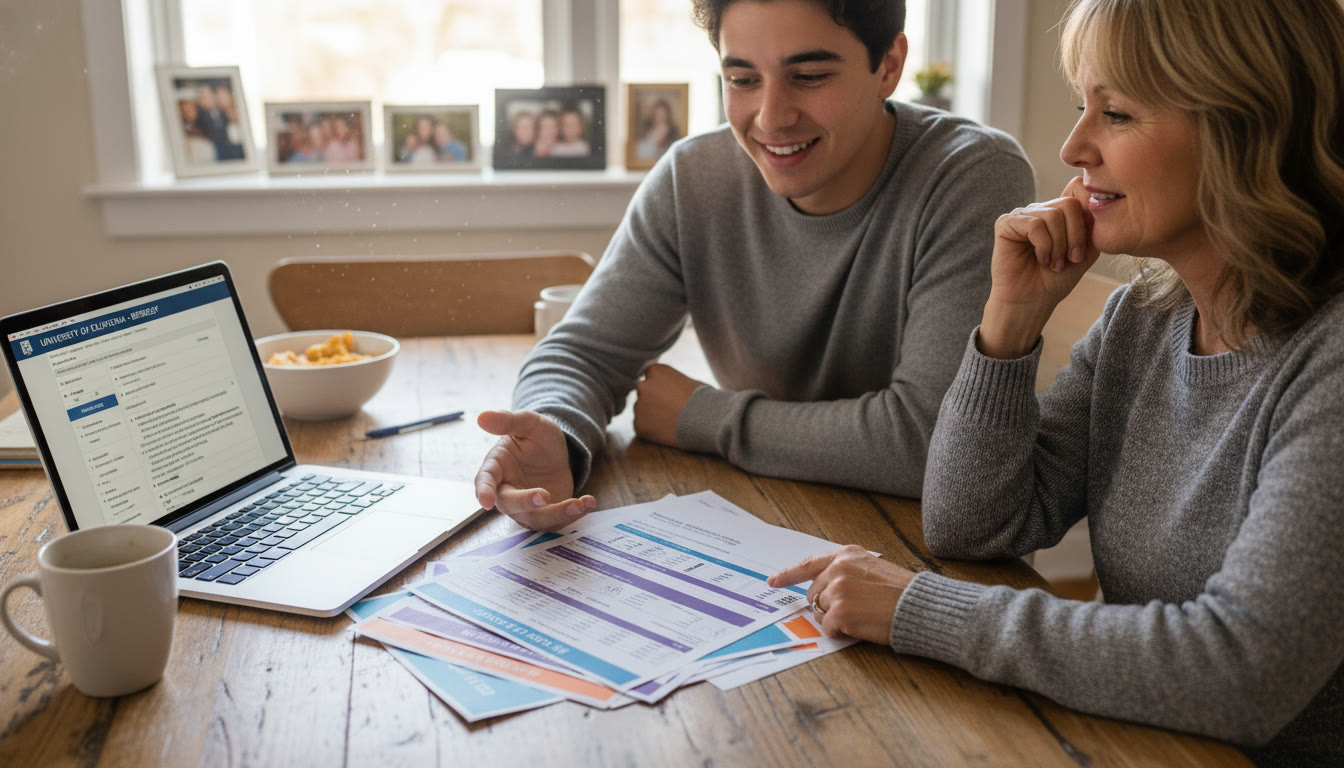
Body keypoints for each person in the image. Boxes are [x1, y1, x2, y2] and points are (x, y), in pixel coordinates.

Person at [768, 0, 1344, 763]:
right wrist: (1009, 323)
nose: (1074, 146)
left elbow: (1241, 672)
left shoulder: (1329, 359)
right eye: (1082, 106)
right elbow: (973, 524)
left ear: (1247, 129)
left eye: (1118, 113)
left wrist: (917, 607)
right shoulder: (1146, 314)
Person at [473, 0, 1033, 530]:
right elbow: (584, 353)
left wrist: (706, 417)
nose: (771, 117)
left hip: (915, 546)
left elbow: (933, 439)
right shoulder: (693, 178)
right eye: (742, 80)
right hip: (760, 517)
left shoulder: (971, 176)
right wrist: (555, 430)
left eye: (809, 76)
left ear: (888, 65)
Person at [635, 98, 680, 162]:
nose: (661, 118)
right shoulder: (645, 135)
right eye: (658, 115)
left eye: (664, 115)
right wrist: (655, 144)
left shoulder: (673, 136)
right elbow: (640, 156)